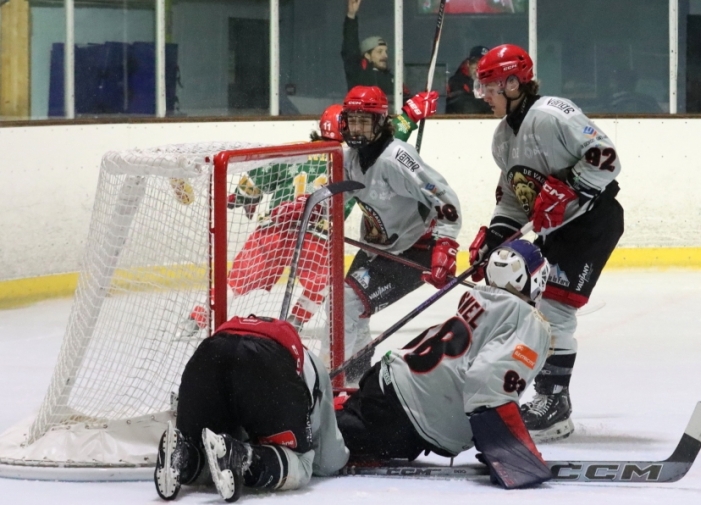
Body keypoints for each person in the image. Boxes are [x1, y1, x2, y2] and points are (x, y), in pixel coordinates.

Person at [183, 90, 440, 359]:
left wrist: (241, 198)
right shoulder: (349, 158)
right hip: (318, 235)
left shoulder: (296, 152)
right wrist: (409, 115)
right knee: (323, 286)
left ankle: (196, 318)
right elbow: (387, 144)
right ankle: (295, 321)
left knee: (236, 281)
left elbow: (256, 180)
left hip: (274, 228)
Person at [470, 44, 624, 442]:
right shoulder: (502, 138)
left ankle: (554, 405)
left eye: (489, 87)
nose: (484, 95)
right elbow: (514, 198)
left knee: (554, 307)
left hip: (592, 221)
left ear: (512, 83)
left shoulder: (553, 114)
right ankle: (529, 388)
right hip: (556, 230)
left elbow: (606, 156)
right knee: (522, 304)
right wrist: (495, 238)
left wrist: (572, 186)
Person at [336, 240, 554, 489]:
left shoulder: (481, 297)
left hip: (392, 384)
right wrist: (512, 455)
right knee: (325, 444)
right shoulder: (527, 320)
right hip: (409, 417)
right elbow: (489, 384)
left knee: (340, 426)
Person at [339, 85, 462, 381]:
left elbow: (445, 200)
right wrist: (307, 209)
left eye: (364, 121)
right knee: (348, 307)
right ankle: (354, 376)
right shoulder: (350, 158)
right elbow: (337, 200)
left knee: (347, 303)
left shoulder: (396, 157)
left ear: (381, 122)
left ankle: (338, 378)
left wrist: (445, 244)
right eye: (352, 120)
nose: (356, 129)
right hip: (375, 249)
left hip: (415, 250)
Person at [154, 315, 349, 502]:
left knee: (205, 449)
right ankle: (243, 458)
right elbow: (328, 461)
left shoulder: (256, 337)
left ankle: (183, 456)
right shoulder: (312, 364)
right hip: (265, 363)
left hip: (207, 355)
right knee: (302, 464)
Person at [342, 0, 408, 103]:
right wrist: (351, 16)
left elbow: (408, 102)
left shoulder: (393, 80)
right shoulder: (359, 74)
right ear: (367, 55)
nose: (385, 56)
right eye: (379, 51)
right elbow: (350, 48)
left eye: (386, 52)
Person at [445, 45, 492, 114]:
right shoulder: (456, 81)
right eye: (475, 63)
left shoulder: (495, 83)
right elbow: (465, 107)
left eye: (484, 64)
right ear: (468, 64)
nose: (479, 68)